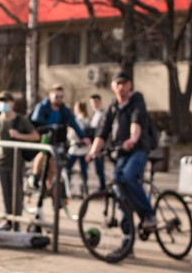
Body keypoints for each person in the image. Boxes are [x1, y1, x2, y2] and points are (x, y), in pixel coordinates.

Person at [87, 71, 159, 234]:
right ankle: (127, 240)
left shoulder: (137, 100)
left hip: (138, 149)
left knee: (128, 177)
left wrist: (133, 139)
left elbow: (137, 120)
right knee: (119, 188)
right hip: (121, 153)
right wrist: (92, 152)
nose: (121, 87)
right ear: (113, 87)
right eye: (117, 84)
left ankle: (148, 216)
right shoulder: (113, 106)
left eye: (124, 84)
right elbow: (102, 132)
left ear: (129, 85)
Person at [0, 91, 40, 231]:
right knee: (5, 194)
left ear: (12, 103)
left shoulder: (20, 120)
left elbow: (35, 136)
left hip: (16, 163)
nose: (4, 104)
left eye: (6, 101)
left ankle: (16, 222)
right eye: (1, 101)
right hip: (1, 163)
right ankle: (8, 220)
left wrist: (19, 135)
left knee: (16, 194)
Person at [30, 84, 90, 188]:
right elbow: (35, 121)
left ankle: (48, 186)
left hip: (58, 138)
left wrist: (83, 136)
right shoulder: (43, 107)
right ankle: (35, 175)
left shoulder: (64, 109)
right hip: (45, 136)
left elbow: (74, 123)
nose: (59, 99)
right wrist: (47, 127)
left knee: (55, 163)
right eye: (57, 96)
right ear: (51, 95)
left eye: (61, 96)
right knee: (43, 153)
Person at [66, 101, 90, 193]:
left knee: (67, 168)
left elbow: (73, 134)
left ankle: (66, 186)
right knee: (84, 170)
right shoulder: (87, 119)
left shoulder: (78, 120)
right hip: (84, 148)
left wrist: (69, 132)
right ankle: (85, 187)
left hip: (76, 148)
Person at [88, 93, 107, 191]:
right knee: (97, 167)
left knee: (100, 167)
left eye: (95, 102)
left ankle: (103, 187)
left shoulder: (102, 114)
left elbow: (100, 131)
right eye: (92, 103)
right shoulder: (95, 114)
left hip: (100, 145)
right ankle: (102, 186)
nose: (93, 104)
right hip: (94, 143)